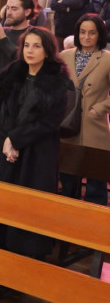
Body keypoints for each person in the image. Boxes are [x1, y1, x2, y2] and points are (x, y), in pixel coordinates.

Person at [0, 27, 72, 259]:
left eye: (37, 46)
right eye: (27, 45)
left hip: (39, 151)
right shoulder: (10, 74)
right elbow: (0, 110)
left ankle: (30, 254)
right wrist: (8, 139)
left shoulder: (56, 80)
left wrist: (15, 139)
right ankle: (3, 247)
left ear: (47, 51)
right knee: (7, 198)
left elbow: (49, 122)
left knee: (32, 202)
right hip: (8, 148)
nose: (30, 50)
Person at [58, 15, 110, 206]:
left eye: (92, 32)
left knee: (96, 183)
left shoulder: (107, 59)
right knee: (68, 179)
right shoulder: (65, 56)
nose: (86, 36)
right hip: (67, 124)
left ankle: (94, 228)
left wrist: (100, 108)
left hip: (94, 126)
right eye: (82, 32)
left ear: (99, 34)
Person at [0, 0, 36, 74]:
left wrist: (3, 39)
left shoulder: (34, 34)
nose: (9, 13)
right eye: (7, 8)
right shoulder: (1, 32)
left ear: (27, 12)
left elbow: (23, 60)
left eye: (14, 9)